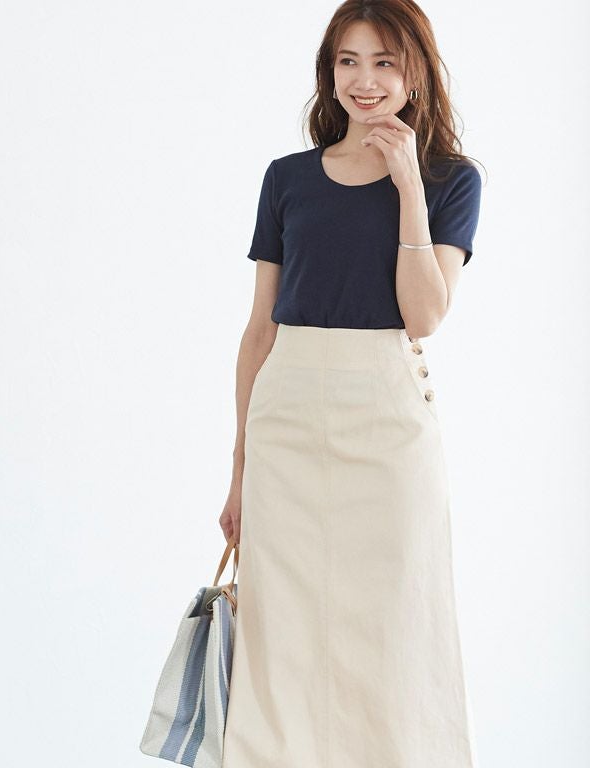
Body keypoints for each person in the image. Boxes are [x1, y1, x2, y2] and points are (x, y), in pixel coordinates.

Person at [219, 1, 483, 766]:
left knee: (394, 623)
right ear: (328, 71)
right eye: (348, 62)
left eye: (384, 63)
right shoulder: (288, 179)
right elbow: (259, 330)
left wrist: (408, 186)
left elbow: (424, 315)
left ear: (415, 73)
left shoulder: (450, 180)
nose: (364, 81)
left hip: (386, 420)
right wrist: (238, 470)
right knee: (281, 632)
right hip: (287, 420)